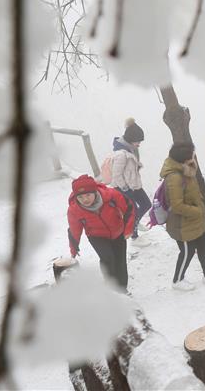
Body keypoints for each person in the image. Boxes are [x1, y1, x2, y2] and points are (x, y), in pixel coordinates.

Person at [162, 142, 205, 290]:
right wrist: (197, 211)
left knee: (204, 245)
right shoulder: (174, 177)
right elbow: (177, 205)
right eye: (192, 153)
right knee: (187, 251)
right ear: (185, 158)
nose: (194, 155)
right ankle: (177, 280)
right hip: (182, 224)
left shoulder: (187, 169)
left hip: (195, 220)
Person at [67, 174, 134, 291]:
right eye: (80, 197)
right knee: (108, 258)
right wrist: (73, 250)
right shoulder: (74, 210)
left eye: (88, 195)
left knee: (120, 261)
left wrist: (128, 229)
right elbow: (74, 230)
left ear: (95, 192)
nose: (85, 200)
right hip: (96, 236)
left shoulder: (111, 195)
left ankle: (122, 289)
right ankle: (112, 289)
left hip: (118, 231)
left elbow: (129, 208)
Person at [110, 118, 151, 246]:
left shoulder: (129, 149)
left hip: (134, 184)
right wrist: (125, 189)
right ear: (130, 139)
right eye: (138, 141)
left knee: (146, 204)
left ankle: (135, 223)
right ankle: (134, 236)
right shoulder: (121, 154)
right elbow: (116, 174)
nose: (139, 144)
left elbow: (128, 167)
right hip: (125, 188)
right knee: (133, 211)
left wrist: (136, 166)